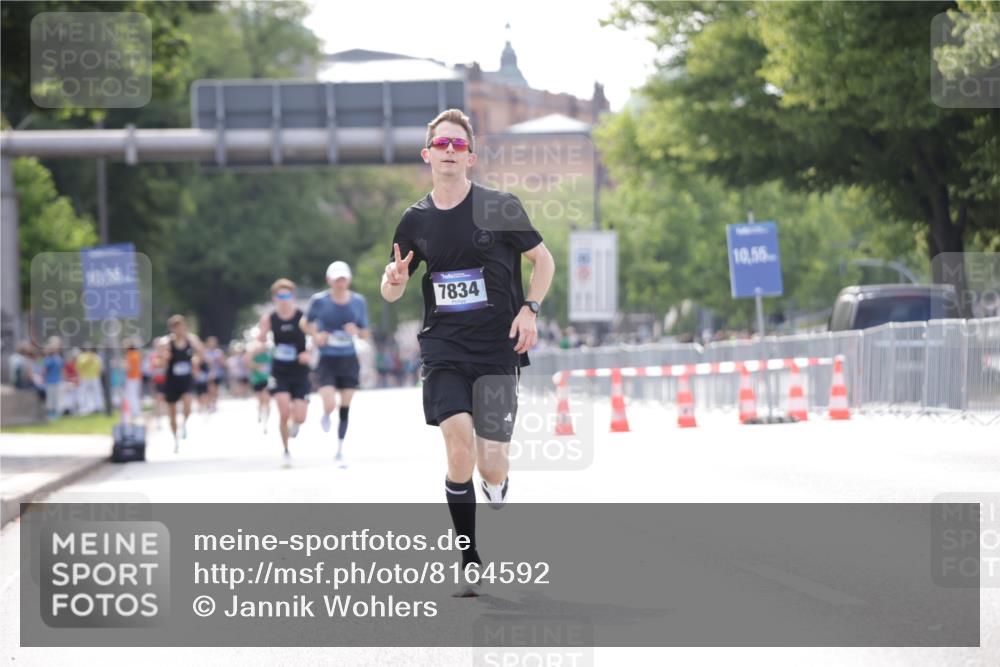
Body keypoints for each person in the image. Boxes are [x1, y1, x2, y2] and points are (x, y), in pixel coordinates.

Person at [381, 108, 555, 596]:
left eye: (459, 145)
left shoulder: (499, 207)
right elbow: (392, 286)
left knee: (491, 462)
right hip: (444, 348)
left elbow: (543, 260)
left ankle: (495, 481)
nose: (450, 152)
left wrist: (530, 310)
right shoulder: (415, 219)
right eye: (443, 145)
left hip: (497, 349)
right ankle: (469, 559)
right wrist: (391, 281)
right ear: (428, 155)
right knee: (458, 445)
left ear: (471, 157)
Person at [306, 261, 370, 467]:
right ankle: (326, 414)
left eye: (343, 279)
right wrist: (317, 335)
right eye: (336, 280)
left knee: (345, 405)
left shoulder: (358, 301)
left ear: (348, 279)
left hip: (349, 358)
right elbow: (305, 324)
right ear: (329, 281)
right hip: (327, 358)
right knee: (329, 403)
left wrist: (356, 332)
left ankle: (340, 448)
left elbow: (366, 332)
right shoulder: (319, 301)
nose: (340, 283)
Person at [256, 279, 311, 459]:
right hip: (280, 371)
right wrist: (261, 342)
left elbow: (313, 338)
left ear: (293, 296)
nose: (284, 299)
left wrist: (308, 353)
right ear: (275, 298)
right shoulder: (269, 318)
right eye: (280, 296)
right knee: (284, 410)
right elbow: (261, 339)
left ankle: (296, 425)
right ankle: (286, 449)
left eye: (287, 295)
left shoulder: (302, 317)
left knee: (300, 417)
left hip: (300, 370)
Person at [156, 315, 205, 451]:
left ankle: (184, 424)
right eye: (176, 327)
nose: (179, 330)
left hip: (186, 379)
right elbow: (159, 362)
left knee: (188, 403)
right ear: (172, 329)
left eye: (181, 326)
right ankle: (175, 439)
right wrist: (164, 359)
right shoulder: (166, 342)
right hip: (171, 380)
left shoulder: (192, 340)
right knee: (171, 412)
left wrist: (196, 362)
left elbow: (202, 352)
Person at [246, 341, 272, 432]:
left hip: (267, 381)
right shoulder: (255, 357)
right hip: (257, 380)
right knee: (260, 401)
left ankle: (266, 421)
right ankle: (260, 414)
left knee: (267, 400)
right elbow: (248, 363)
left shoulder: (269, 356)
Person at [75, 346, 104, 415]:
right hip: (84, 377)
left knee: (97, 393)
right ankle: (84, 408)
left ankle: (98, 407)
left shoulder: (97, 357)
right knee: (83, 393)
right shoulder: (81, 356)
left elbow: (99, 367)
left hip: (94, 377)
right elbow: (80, 366)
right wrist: (89, 358)